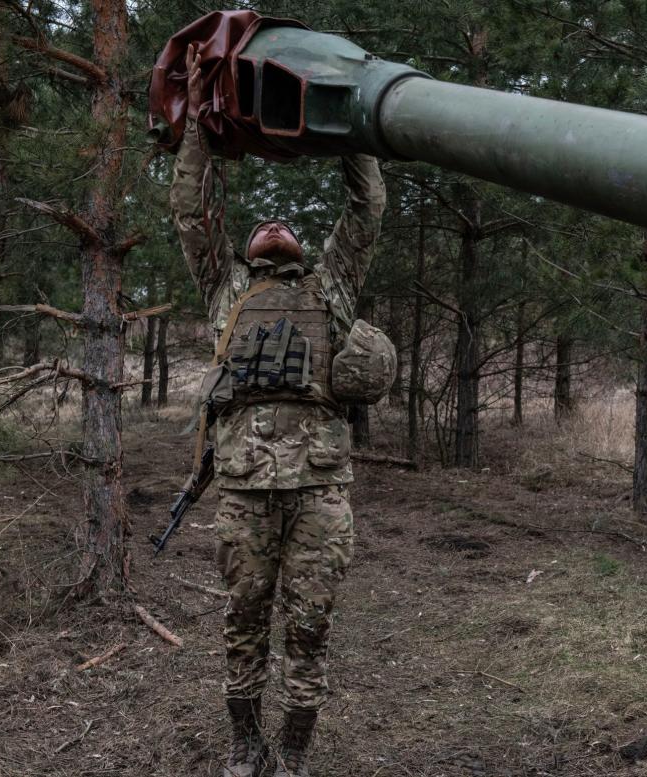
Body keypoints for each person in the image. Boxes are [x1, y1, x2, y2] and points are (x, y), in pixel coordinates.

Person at [170, 45, 386, 777]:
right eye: (260, 221)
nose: (271, 222)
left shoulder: (330, 293)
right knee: (242, 622)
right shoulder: (227, 292)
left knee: (310, 625)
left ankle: (291, 754)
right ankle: (244, 743)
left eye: (282, 221)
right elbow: (190, 210)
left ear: (292, 250)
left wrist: (352, 124)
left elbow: (367, 209)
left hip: (321, 490)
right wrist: (200, 120)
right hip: (243, 489)